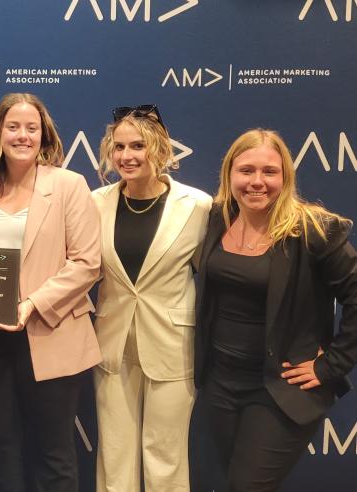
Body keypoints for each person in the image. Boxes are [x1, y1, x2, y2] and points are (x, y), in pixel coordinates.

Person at [194, 129, 357, 491]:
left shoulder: (313, 230)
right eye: (246, 170)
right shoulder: (216, 218)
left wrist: (332, 364)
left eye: (269, 172)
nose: (257, 182)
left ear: (285, 177)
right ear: (229, 174)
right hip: (218, 385)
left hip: (278, 390)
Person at [0, 93, 101, 492]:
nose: (22, 135)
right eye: (13, 126)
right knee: (1, 447)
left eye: (31, 127)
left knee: (54, 453)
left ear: (44, 136)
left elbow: (86, 263)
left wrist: (31, 305)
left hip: (51, 332)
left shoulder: (68, 185)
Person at [91, 105, 211, 492]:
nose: (127, 156)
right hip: (112, 345)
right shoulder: (96, 202)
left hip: (172, 346)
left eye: (138, 145)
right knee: (114, 454)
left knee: (165, 456)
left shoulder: (197, 206)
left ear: (159, 148)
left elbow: (213, 274)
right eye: (119, 146)